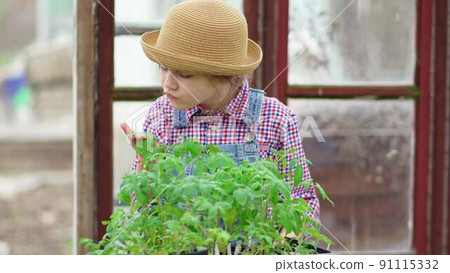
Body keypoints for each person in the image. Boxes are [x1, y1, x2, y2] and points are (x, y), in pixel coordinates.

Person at [120, 0, 319, 220]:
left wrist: (283, 243)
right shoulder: (161, 114)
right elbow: (143, 214)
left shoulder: (275, 118)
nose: (168, 84)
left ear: (228, 75)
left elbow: (302, 201)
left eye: (185, 75)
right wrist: (146, 168)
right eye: (163, 68)